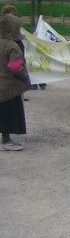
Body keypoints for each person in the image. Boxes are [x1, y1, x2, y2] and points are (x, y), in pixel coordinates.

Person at [0, 13, 30, 151]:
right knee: (9, 114)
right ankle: (6, 141)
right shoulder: (12, 46)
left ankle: (5, 139)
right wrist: (25, 77)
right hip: (9, 87)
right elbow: (15, 66)